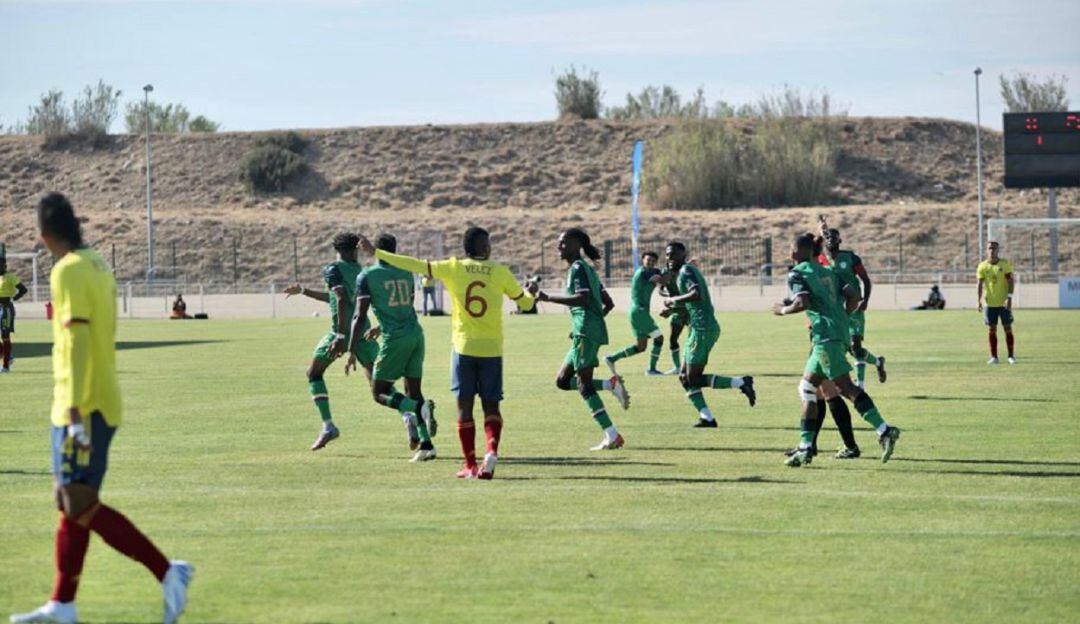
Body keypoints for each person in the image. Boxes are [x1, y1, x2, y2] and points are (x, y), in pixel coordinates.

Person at [10, 193, 192, 624]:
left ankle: (168, 572)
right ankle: (63, 604)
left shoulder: (68, 269)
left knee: (77, 499)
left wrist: (74, 411)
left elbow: (76, 342)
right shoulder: (96, 263)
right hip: (99, 397)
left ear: (43, 235)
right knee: (69, 499)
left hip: (83, 404)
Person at [364, 226, 534, 479]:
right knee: (491, 406)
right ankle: (491, 452)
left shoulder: (454, 268)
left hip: (464, 348)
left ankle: (470, 465)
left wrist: (376, 253)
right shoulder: (500, 272)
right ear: (485, 247)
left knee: (464, 407)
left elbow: (415, 264)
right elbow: (526, 303)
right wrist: (531, 294)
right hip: (492, 350)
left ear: (465, 248)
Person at [773, 233, 901, 467]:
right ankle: (805, 447)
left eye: (792, 249)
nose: (790, 253)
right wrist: (842, 317)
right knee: (807, 387)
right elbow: (853, 295)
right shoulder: (828, 271)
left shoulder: (797, 273)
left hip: (825, 337)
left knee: (844, 387)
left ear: (800, 252)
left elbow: (802, 302)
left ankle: (884, 430)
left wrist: (781, 310)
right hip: (837, 333)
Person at [528, 228, 629, 451]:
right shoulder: (588, 270)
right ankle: (608, 384)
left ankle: (612, 435)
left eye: (563, 243)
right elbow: (607, 303)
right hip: (584, 331)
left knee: (584, 386)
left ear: (576, 244)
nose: (559, 246)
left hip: (586, 332)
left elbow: (583, 299)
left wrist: (546, 297)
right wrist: (587, 324)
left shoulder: (578, 269)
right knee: (563, 381)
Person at [284, 233, 383, 451]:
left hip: (340, 334)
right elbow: (335, 296)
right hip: (363, 332)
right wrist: (303, 291)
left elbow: (339, 298)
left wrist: (339, 336)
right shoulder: (362, 272)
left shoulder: (333, 269)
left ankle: (328, 425)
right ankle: (410, 415)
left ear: (337, 249)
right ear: (354, 250)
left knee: (314, 373)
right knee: (379, 388)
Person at [348, 233, 438, 462]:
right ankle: (426, 445)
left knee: (379, 391)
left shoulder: (367, 276)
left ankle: (419, 410)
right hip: (416, 335)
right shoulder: (406, 272)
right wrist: (380, 326)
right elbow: (403, 306)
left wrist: (350, 350)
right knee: (413, 392)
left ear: (374, 250)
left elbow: (359, 316)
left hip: (395, 339)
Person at [660, 242, 756, 427]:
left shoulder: (686, 271)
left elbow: (695, 294)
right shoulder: (683, 272)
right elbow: (693, 302)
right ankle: (707, 417)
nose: (669, 258)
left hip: (703, 328)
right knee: (684, 377)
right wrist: (673, 309)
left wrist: (672, 299)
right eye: (667, 255)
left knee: (692, 378)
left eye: (673, 254)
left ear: (683, 255)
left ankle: (741, 383)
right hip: (697, 328)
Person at [819, 222, 886, 388]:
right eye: (827, 237)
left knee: (856, 347)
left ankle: (860, 385)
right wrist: (822, 229)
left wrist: (866, 300)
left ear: (840, 240)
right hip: (836, 310)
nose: (830, 240)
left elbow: (866, 280)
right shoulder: (821, 260)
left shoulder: (850, 257)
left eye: (834, 237)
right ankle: (877, 361)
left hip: (854, 306)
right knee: (849, 349)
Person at [604, 251, 669, 377]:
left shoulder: (651, 271)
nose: (649, 262)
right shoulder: (643, 272)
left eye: (652, 261)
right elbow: (662, 279)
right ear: (642, 260)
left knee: (641, 347)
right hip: (639, 312)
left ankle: (611, 358)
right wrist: (674, 271)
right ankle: (651, 369)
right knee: (659, 338)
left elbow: (662, 279)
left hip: (636, 312)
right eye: (647, 260)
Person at [977, 241, 1015, 364]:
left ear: (998, 250)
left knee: (1007, 328)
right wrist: (978, 300)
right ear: (987, 250)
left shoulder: (1005, 265)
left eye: (994, 248)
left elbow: (1010, 282)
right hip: (989, 303)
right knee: (991, 329)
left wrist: (1009, 298)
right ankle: (994, 357)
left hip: (1003, 303)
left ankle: (1011, 356)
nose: (992, 250)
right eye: (989, 248)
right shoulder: (982, 266)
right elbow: (979, 284)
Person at [0, 255, 29, 373]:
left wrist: (14, 298)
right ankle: (8, 355)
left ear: (5, 266)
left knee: (5, 336)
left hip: (6, 309)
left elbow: (23, 289)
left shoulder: (11, 277)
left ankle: (6, 366)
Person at [658, 281, 688, 375]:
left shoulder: (684, 274)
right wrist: (669, 296)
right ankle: (677, 367)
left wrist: (671, 309)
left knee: (694, 340)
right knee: (673, 339)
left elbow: (691, 297)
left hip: (690, 311)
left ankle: (691, 365)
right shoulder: (665, 272)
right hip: (677, 312)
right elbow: (660, 290)